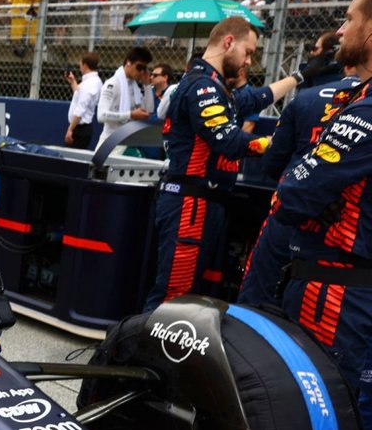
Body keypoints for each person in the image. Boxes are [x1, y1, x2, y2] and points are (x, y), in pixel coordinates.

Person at [254, 0, 372, 430]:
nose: (342, 27)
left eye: (351, 17)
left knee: (334, 411)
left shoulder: (365, 112)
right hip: (355, 285)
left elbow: (297, 186)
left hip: (342, 286)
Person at [143, 17, 301, 311]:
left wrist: (300, 77)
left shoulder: (214, 86)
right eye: (249, 52)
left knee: (184, 296)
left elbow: (254, 98)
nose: (248, 62)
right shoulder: (202, 86)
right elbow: (230, 143)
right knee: (172, 296)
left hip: (202, 203)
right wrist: (281, 140)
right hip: (191, 204)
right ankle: (138, 355)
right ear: (229, 42)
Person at [237, 66, 362, 306]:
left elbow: (272, 164)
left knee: (258, 298)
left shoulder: (307, 98)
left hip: (289, 213)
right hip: (345, 232)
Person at [95, 46, 154, 153]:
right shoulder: (113, 84)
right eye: (139, 67)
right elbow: (101, 115)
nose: (141, 72)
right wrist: (130, 115)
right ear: (128, 63)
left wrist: (147, 86)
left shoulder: (134, 87)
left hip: (128, 141)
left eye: (144, 69)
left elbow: (148, 111)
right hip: (110, 141)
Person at [65, 52, 102, 149]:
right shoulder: (95, 81)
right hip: (81, 128)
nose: (79, 66)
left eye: (80, 64)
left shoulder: (88, 84)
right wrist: (73, 82)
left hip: (79, 130)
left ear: (85, 65)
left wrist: (70, 129)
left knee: (71, 160)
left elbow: (80, 109)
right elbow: (81, 97)